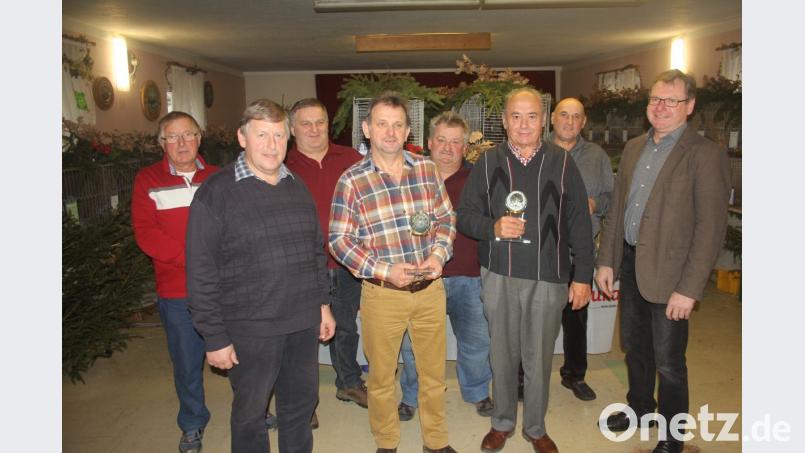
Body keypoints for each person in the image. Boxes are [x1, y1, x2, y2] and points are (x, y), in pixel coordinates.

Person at [185, 99, 336, 453]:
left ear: (289, 138)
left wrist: (322, 305)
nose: (271, 145)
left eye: (279, 135)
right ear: (242, 137)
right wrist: (214, 337)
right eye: (262, 135)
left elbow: (314, 252)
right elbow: (201, 271)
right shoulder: (216, 193)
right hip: (249, 328)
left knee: (299, 407)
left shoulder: (296, 186)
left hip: (301, 322)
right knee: (250, 414)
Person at [595, 70, 730, 453]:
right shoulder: (636, 147)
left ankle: (673, 438)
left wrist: (689, 289)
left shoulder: (704, 154)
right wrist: (607, 259)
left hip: (672, 277)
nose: (661, 107)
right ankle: (640, 406)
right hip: (632, 266)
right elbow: (618, 209)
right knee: (635, 348)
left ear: (689, 106)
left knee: (669, 362)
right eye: (656, 99)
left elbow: (710, 227)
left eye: (672, 100)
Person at [457, 87, 594, 453]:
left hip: (548, 276)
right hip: (500, 272)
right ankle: (502, 422)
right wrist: (493, 227)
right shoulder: (487, 163)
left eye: (531, 116)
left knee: (539, 355)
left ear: (543, 120)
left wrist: (582, 277)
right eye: (515, 116)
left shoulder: (563, 163)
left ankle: (535, 427)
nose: (523, 124)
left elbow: (580, 223)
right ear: (504, 121)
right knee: (502, 354)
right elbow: (465, 216)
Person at [329, 92, 458, 453]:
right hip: (382, 295)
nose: (389, 131)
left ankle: (436, 442)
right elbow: (339, 240)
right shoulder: (352, 180)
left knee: (434, 376)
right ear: (367, 129)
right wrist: (384, 270)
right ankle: (387, 442)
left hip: (430, 291)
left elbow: (446, 218)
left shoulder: (427, 169)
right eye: (382, 124)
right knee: (382, 378)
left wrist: (438, 255)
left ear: (407, 131)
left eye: (397, 124)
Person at [397, 111, 494, 422]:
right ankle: (411, 397)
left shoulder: (480, 178)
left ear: (465, 146)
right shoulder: (409, 176)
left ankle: (477, 392)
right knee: (414, 347)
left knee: (476, 342)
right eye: (442, 140)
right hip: (422, 278)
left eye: (456, 142)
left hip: (470, 276)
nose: (449, 148)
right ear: (428, 142)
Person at [131, 111, 218, 453]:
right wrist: (194, 259)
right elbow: (146, 233)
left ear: (200, 138)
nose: (182, 143)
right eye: (173, 137)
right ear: (161, 143)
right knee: (186, 361)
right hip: (176, 290)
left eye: (189, 135)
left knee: (242, 352)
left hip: (222, 288)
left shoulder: (217, 177)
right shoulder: (147, 180)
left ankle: (254, 408)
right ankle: (193, 423)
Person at [285, 98, 367, 409]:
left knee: (346, 326)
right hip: (302, 266)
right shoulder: (281, 165)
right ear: (293, 129)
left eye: (320, 122)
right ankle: (303, 402)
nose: (314, 129)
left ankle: (348, 382)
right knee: (302, 332)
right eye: (305, 123)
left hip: (347, 262)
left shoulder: (352, 159)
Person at [549, 97, 614, 402]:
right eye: (564, 115)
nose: (570, 122)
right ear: (553, 118)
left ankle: (574, 375)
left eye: (576, 117)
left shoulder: (596, 156)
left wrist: (595, 203)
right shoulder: (536, 151)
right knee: (534, 319)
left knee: (576, 319)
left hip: (580, 254)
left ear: (584, 122)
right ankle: (524, 377)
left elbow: (612, 199)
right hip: (542, 254)